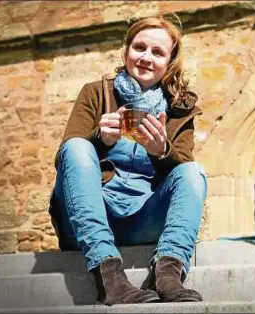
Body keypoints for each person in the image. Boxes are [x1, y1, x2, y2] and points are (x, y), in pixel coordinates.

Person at [48, 12, 207, 305]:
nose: (146, 57)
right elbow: (65, 159)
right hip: (88, 217)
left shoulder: (180, 109)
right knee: (77, 147)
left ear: (169, 62)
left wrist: (162, 151)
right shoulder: (96, 93)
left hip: (144, 218)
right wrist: (99, 139)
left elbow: (183, 171)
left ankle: (169, 275)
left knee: (192, 171)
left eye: (158, 52)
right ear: (126, 51)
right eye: (140, 47)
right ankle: (110, 277)